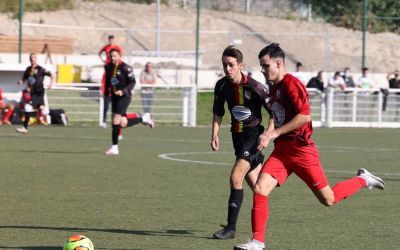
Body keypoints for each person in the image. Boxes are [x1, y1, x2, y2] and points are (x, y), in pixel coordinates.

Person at [234, 43, 385, 250]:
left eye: (266, 65)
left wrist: (276, 132)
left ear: (278, 63)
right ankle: (258, 242)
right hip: (282, 152)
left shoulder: (291, 84)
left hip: (302, 151)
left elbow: (304, 116)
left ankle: (363, 179)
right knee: (260, 188)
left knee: (328, 199)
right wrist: (269, 133)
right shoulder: (275, 87)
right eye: (261, 66)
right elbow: (275, 114)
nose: (262, 70)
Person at [211, 46, 269, 240]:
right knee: (260, 188)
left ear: (240, 65)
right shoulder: (221, 86)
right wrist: (215, 135)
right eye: (225, 64)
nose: (227, 68)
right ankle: (260, 230)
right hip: (237, 138)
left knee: (236, 178)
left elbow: (274, 112)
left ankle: (230, 228)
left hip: (253, 136)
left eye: (231, 65)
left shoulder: (254, 86)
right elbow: (218, 111)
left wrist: (268, 134)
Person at [103, 49, 154, 155]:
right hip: (114, 96)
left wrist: (123, 91)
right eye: (111, 56)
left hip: (125, 97)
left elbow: (133, 82)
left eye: (115, 56)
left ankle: (114, 148)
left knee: (115, 120)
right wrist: (107, 93)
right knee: (122, 122)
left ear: (119, 56)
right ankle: (144, 118)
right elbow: (108, 81)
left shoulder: (126, 68)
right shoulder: (108, 67)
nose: (112, 58)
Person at [16, 53, 54, 133]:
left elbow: (52, 75)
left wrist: (51, 84)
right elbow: (24, 78)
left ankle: (25, 128)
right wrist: (21, 81)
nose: (32, 59)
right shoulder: (28, 69)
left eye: (33, 57)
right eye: (31, 57)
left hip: (39, 92)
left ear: (36, 59)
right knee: (44, 111)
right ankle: (58, 113)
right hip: (33, 93)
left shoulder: (40, 69)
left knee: (28, 107)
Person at [99, 35, 123, 128]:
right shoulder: (107, 70)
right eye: (111, 56)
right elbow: (105, 81)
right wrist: (103, 90)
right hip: (108, 93)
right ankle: (104, 121)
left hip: (115, 93)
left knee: (117, 110)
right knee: (106, 107)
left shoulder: (119, 70)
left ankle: (117, 123)